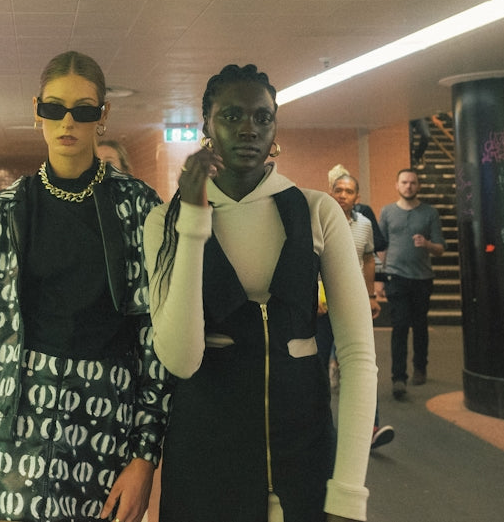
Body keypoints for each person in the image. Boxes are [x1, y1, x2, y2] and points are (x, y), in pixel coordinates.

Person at [0, 51, 171, 522]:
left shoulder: (138, 209)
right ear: (37, 109)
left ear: (103, 115)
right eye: (55, 108)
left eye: (84, 109)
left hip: (104, 424)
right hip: (11, 427)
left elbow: (155, 341)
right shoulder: (5, 212)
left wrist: (144, 456)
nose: (68, 121)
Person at [145, 64, 376, 522]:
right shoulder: (165, 222)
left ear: (275, 127)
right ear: (206, 125)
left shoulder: (316, 210)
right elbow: (180, 359)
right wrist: (192, 223)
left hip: (304, 454)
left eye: (262, 117)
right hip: (205, 462)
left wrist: (348, 491)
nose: (248, 128)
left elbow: (356, 355)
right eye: (231, 115)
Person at [323, 165, 394, 450]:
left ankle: (371, 428)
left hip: (352, 305)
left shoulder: (364, 224)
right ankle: (321, 430)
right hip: (321, 307)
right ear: (331, 193)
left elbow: (368, 260)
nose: (342, 195)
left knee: (363, 366)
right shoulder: (320, 220)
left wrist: (371, 296)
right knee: (315, 371)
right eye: (338, 190)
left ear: (357, 196)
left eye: (348, 191)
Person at [379, 167, 445, 400]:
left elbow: (440, 248)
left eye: (412, 183)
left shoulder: (430, 213)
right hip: (396, 277)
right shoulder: (387, 212)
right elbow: (382, 246)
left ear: (418, 186)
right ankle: (398, 377)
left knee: (419, 325)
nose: (408, 186)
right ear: (397, 185)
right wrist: (383, 275)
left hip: (422, 279)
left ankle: (420, 367)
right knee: (399, 326)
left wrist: (427, 244)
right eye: (404, 182)